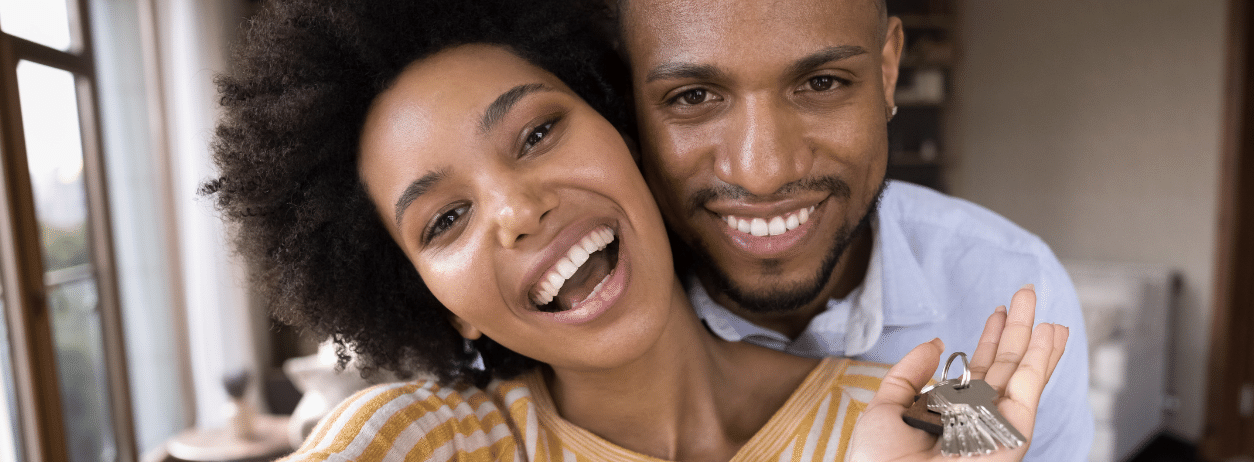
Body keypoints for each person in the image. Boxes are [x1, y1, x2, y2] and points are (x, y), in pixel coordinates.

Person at [206, 0, 1067, 460]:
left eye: (538, 133)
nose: (517, 210)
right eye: (446, 220)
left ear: (618, 136)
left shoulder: (903, 416)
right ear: (433, 300)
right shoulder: (423, 441)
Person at [614, 0, 1095, 460]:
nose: (764, 173)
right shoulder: (591, 321)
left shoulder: (1011, 290)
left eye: (822, 83)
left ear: (888, 71)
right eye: (693, 96)